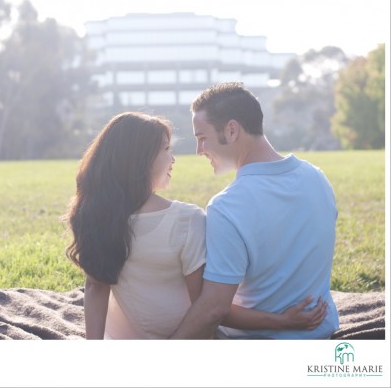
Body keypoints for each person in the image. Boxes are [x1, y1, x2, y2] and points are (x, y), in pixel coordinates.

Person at [65, 111, 326, 339]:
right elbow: (209, 309)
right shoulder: (185, 220)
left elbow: (95, 287)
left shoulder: (95, 215)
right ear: (141, 159)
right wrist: (282, 321)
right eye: (166, 149)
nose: (173, 159)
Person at [170, 82, 339, 339]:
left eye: (202, 138)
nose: (199, 151)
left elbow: (214, 309)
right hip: (320, 335)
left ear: (232, 130)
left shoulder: (227, 206)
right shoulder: (317, 177)